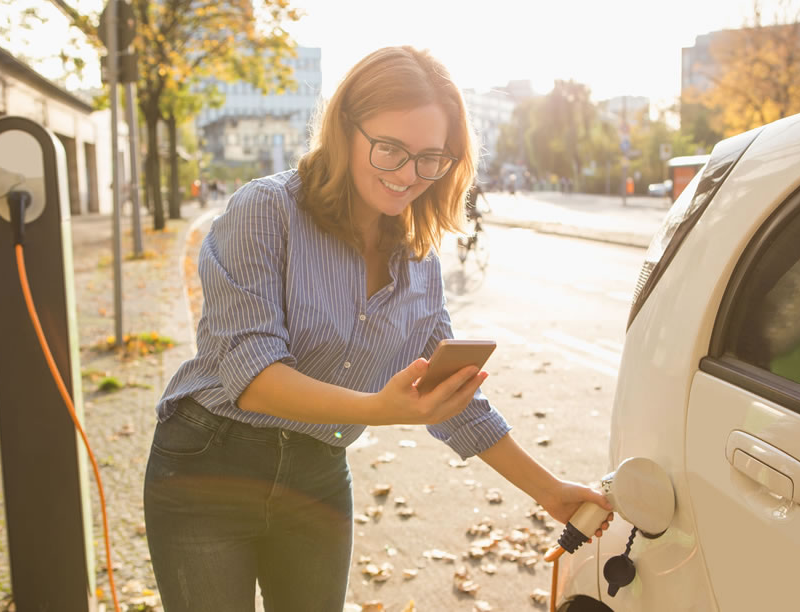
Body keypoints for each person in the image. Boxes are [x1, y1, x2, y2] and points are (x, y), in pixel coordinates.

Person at [143, 45, 611, 612]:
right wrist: (378, 408)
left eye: (429, 157)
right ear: (345, 128)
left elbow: (456, 400)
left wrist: (550, 492)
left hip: (316, 472)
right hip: (208, 462)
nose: (408, 175)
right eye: (389, 149)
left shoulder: (419, 259)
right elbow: (253, 376)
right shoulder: (266, 209)